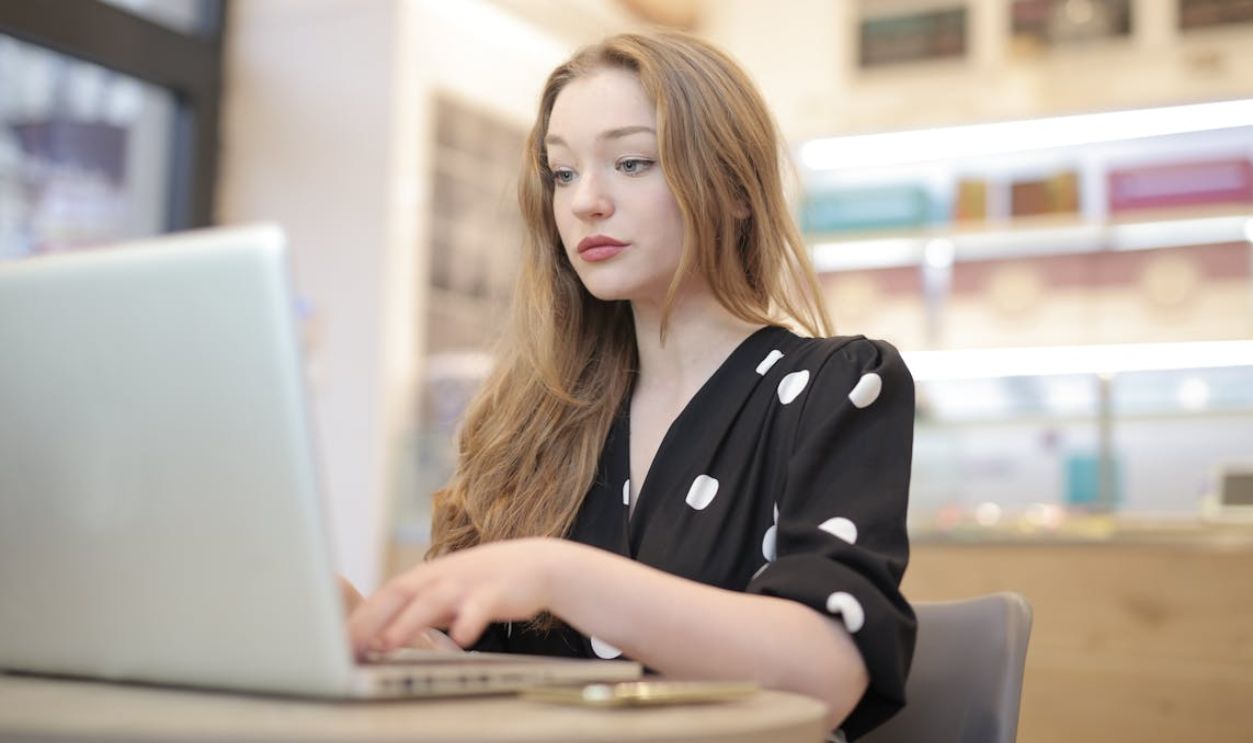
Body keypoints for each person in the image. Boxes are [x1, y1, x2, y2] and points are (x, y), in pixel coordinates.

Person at [346, 30, 916, 739]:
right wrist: (359, 626)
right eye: (561, 173)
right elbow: (480, 676)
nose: (585, 201)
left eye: (631, 161)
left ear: (736, 189)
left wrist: (562, 576)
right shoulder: (532, 417)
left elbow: (825, 673)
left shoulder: (836, 385)